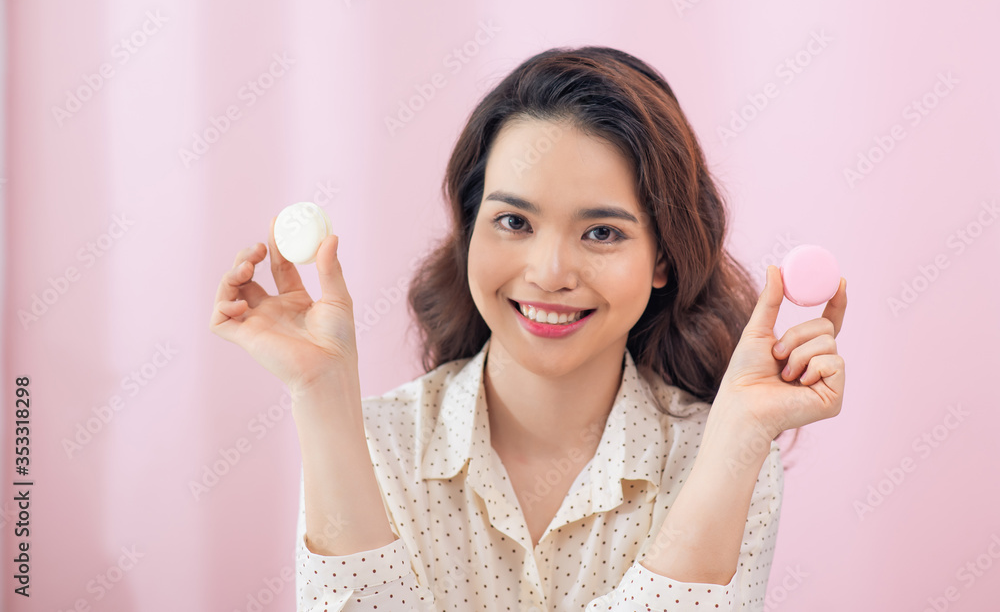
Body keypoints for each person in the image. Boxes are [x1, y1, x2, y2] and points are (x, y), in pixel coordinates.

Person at [209, 46, 848, 611]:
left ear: (662, 257)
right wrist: (321, 396)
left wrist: (734, 441)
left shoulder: (724, 457)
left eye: (602, 232)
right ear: (468, 231)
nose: (549, 272)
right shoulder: (376, 444)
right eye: (514, 222)